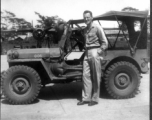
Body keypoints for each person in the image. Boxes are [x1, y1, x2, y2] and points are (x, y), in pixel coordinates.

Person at [77, 10, 108, 106]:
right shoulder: (85, 29)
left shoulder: (97, 27)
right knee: (85, 76)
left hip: (95, 51)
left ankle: (94, 99)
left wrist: (99, 51)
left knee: (96, 76)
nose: (86, 19)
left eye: (88, 17)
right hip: (87, 52)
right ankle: (86, 98)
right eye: (84, 17)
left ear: (92, 17)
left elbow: (104, 42)